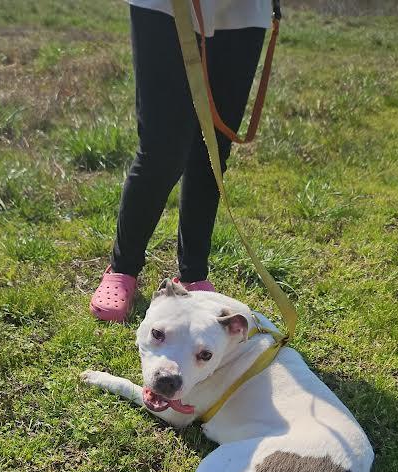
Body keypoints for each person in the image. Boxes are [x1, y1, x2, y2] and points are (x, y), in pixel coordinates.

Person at [90, 0, 273, 322]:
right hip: (167, 7)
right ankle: (123, 269)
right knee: (161, 149)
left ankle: (193, 274)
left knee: (213, 149)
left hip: (243, 11)